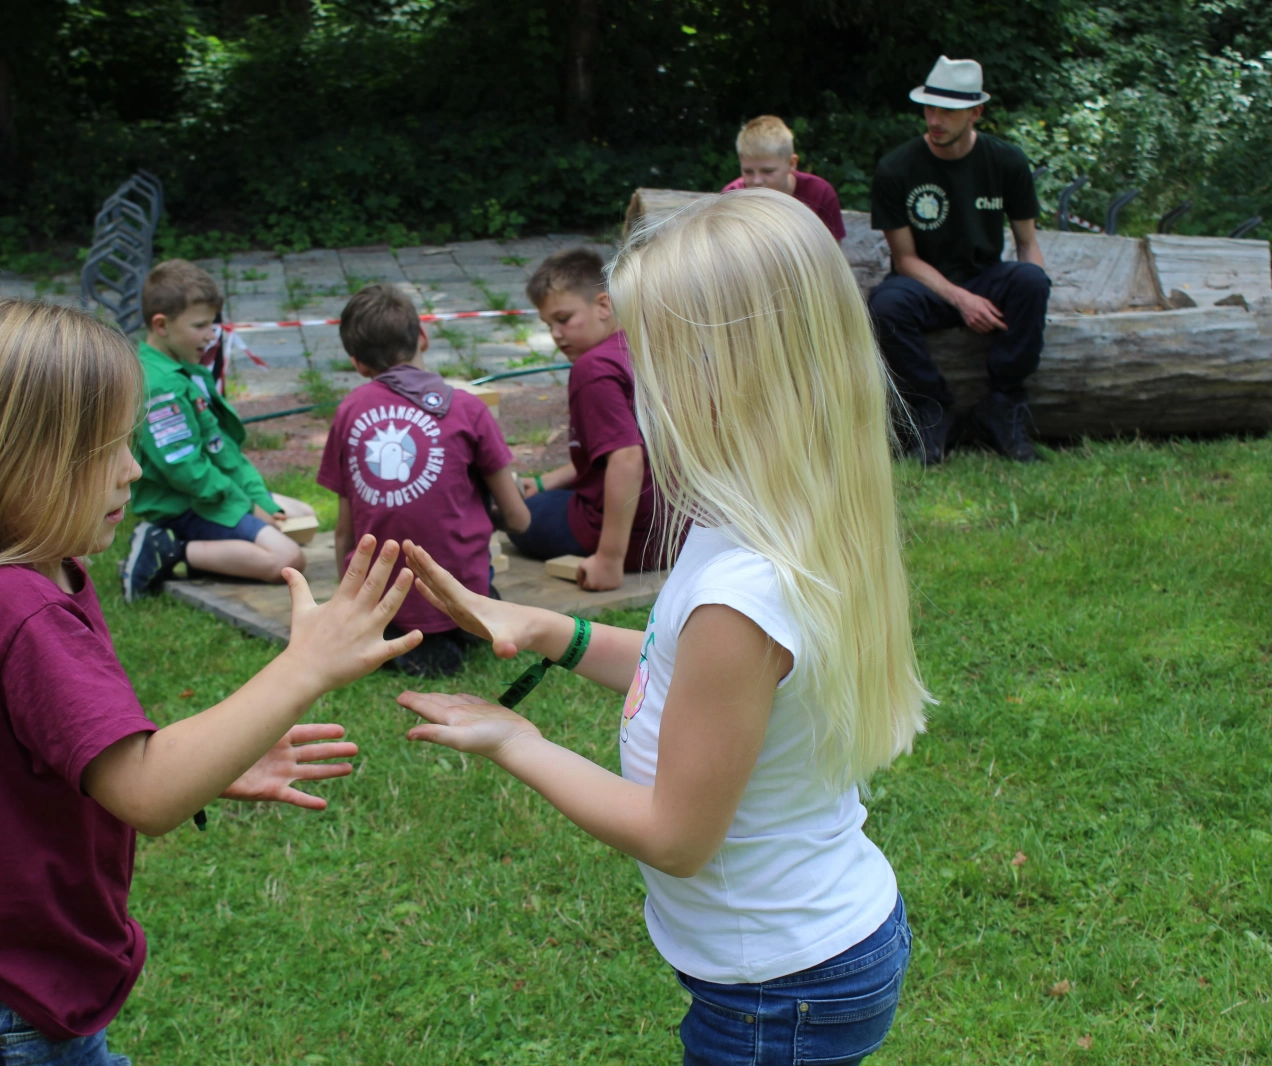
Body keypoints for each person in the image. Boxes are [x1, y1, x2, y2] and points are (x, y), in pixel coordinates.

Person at [397, 190, 928, 1066]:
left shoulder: (743, 596)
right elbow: (678, 677)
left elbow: (677, 838)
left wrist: (514, 739)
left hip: (778, 995)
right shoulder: (770, 520)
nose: (639, 388)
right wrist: (548, 632)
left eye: (654, 363)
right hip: (811, 954)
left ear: (732, 380)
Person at [0, 297, 422, 1066]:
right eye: (100, 450)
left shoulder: (15, 575)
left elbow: (61, 751)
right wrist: (304, 666)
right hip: (2, 1011)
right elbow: (147, 793)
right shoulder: (21, 608)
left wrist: (213, 762)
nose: (132, 468)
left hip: (3, 982)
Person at [320, 283, 532, 677]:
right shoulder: (469, 408)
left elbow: (344, 534)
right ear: (423, 336)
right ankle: (457, 628)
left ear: (358, 364)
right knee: (479, 602)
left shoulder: (349, 411)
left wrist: (346, 608)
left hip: (380, 602)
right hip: (463, 592)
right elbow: (520, 520)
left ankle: (404, 638)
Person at [867, 55, 1050, 465]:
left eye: (948, 111)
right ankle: (931, 410)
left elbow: (1027, 244)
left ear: (975, 112)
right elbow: (905, 257)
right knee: (885, 305)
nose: (935, 119)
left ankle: (1002, 406)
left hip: (986, 276)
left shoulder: (1007, 161)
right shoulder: (896, 168)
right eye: (930, 108)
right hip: (923, 284)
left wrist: (1035, 298)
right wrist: (959, 299)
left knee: (1031, 282)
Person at [121, 259, 316, 601]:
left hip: (211, 494)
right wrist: (246, 507)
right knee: (289, 560)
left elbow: (224, 450)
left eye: (212, 324)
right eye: (200, 326)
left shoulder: (185, 366)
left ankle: (214, 554)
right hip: (183, 505)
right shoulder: (160, 386)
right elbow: (186, 471)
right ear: (162, 325)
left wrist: (256, 498)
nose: (211, 335)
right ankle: (166, 547)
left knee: (304, 518)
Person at [512, 248, 668, 590]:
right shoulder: (643, 347)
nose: (555, 333)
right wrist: (542, 482)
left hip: (633, 542)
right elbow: (615, 446)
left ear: (603, 305)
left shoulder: (593, 369)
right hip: (673, 533)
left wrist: (609, 558)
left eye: (564, 319)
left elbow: (626, 457)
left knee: (513, 515)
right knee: (538, 498)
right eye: (548, 324)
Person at [722, 115, 846, 241]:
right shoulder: (731, 197)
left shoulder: (820, 193)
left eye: (767, 171)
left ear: (792, 164)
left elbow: (835, 252)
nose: (757, 180)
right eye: (748, 171)